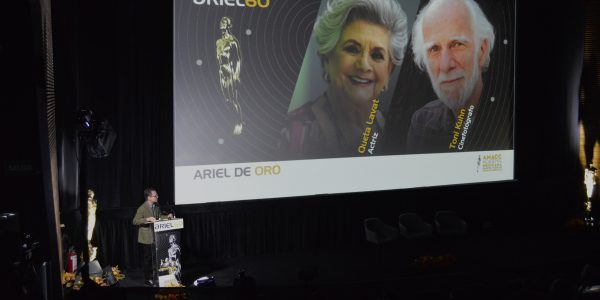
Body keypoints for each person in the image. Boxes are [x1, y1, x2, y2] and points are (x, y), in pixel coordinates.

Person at [279, 0, 408, 158]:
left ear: (390, 70)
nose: (364, 65)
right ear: (327, 58)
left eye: (377, 55)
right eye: (352, 49)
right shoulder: (290, 133)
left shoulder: (399, 128)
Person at [406, 0, 509, 153]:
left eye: (457, 44)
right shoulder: (422, 122)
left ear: (482, 50)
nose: (445, 65)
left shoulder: (508, 115)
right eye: (434, 48)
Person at [132, 187, 172, 286]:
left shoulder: (156, 206)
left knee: (156, 258)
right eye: (155, 196)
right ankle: (147, 279)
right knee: (148, 259)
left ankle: (156, 276)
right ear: (149, 197)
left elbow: (158, 217)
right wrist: (147, 219)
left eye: (157, 195)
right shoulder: (142, 208)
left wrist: (167, 217)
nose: (157, 197)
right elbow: (135, 221)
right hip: (147, 238)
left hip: (157, 237)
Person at [216, 16, 244, 135]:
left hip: (231, 73)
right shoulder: (218, 42)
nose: (224, 31)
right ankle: (231, 121)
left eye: (225, 28)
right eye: (222, 29)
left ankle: (239, 122)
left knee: (233, 99)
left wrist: (236, 74)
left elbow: (238, 59)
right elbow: (218, 59)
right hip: (222, 73)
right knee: (226, 99)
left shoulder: (233, 42)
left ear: (229, 28)